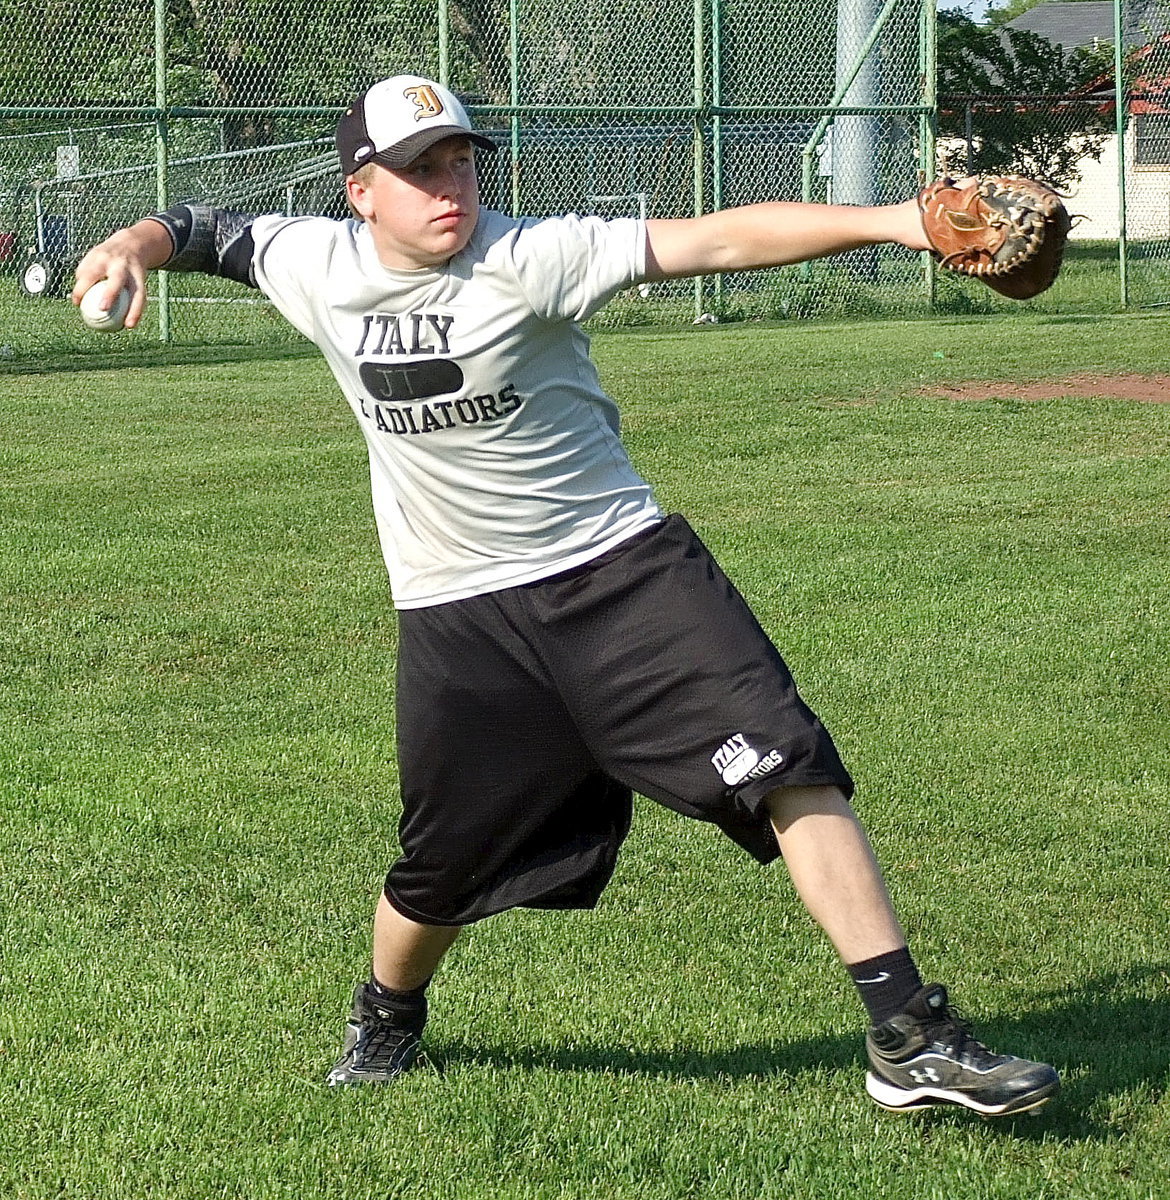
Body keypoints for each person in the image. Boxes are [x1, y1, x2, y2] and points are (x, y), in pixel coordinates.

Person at [73, 74, 1059, 1117]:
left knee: (786, 762)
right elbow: (202, 229)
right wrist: (134, 244)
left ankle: (908, 1035)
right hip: (460, 614)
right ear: (361, 191)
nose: (450, 184)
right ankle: (387, 1015)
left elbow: (714, 241)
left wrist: (900, 222)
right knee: (442, 868)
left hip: (624, 577)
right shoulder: (312, 263)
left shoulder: (527, 256)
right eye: (419, 169)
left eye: (459, 157)